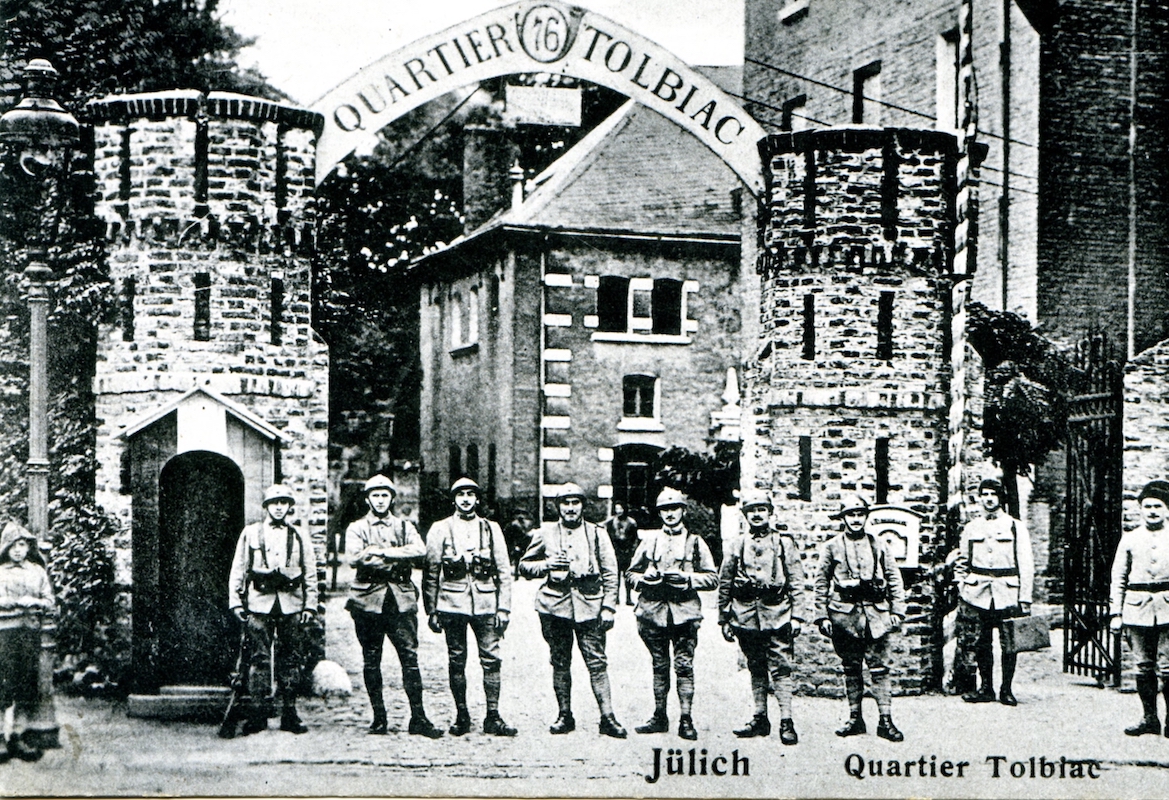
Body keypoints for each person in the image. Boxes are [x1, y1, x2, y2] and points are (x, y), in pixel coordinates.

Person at [519, 483, 627, 738]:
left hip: (590, 605)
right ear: (558, 507)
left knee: (597, 662)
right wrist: (546, 565)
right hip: (555, 607)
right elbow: (524, 566)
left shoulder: (597, 533)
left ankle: (607, 717)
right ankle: (564, 715)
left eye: (575, 502)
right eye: (565, 503)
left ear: (582, 506)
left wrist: (609, 607)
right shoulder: (545, 533)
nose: (570, 508)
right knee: (560, 661)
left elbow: (612, 573)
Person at [344, 474, 442, 738]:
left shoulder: (404, 526)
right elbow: (354, 558)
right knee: (371, 659)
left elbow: (419, 550)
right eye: (375, 495)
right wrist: (394, 555)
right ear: (367, 499)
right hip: (367, 600)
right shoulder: (356, 528)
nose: (380, 500)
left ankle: (418, 718)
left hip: (400, 599)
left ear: (391, 499)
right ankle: (379, 718)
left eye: (384, 495)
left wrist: (382, 553)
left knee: (410, 659)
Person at [423, 477, 516, 737]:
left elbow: (504, 571)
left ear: (477, 499)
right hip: (451, 605)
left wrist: (504, 608)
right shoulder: (440, 529)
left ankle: (493, 716)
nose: (465, 499)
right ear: (453, 499)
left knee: (492, 660)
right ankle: (462, 715)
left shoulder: (491, 528)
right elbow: (430, 573)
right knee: (456, 660)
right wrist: (431, 610)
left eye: (470, 494)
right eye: (460, 494)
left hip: (486, 604)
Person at [626, 487, 718, 741]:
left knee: (684, 666)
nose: (670, 514)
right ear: (659, 513)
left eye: (674, 508)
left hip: (684, 614)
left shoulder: (696, 542)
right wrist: (645, 578)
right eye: (665, 509)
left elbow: (712, 578)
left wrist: (688, 579)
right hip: (653, 613)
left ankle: (686, 718)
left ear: (683, 511)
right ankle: (659, 716)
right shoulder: (649, 541)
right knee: (659, 665)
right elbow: (630, 574)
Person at [228, 483, 318, 735]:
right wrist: (235, 601)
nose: (279, 508)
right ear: (266, 506)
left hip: (291, 604)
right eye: (274, 503)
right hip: (259, 602)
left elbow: (310, 573)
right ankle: (258, 715)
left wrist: (310, 604)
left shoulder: (300, 535)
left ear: (290, 507)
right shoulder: (251, 533)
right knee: (259, 659)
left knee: (290, 659)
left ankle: (290, 713)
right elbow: (240, 568)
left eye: (284, 503)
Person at [814, 494, 906, 742]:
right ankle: (855, 718)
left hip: (876, 615)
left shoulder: (879, 544)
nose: (855, 519)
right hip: (844, 617)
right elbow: (820, 583)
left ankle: (885, 721)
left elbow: (894, 578)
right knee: (851, 667)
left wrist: (897, 611)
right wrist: (822, 616)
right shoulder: (831, 546)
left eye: (860, 514)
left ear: (866, 517)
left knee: (881, 668)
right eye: (850, 515)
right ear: (842, 518)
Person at [718, 489, 806, 744]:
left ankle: (786, 721)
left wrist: (797, 616)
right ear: (745, 515)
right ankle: (760, 717)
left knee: (781, 667)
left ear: (770, 513)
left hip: (777, 613)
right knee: (755, 665)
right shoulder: (737, 543)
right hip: (745, 614)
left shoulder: (783, 543)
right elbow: (725, 581)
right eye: (751, 511)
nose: (757, 515)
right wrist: (724, 618)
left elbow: (796, 581)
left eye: (761, 510)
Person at [953, 478, 1034, 706]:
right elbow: (962, 561)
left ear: (1001, 498)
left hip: (1007, 591)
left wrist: (1025, 597)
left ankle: (1006, 689)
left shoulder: (1015, 526)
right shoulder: (972, 527)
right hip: (978, 593)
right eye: (985, 494)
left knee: (1009, 642)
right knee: (982, 642)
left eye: (993, 494)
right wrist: (962, 585)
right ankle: (986, 688)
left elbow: (1026, 564)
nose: (988, 499)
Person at [1109, 479, 1169, 736]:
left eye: (1158, 506)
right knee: (1143, 666)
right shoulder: (1130, 539)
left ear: (1167, 509)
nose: (1152, 511)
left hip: (1168, 608)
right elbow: (1118, 578)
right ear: (1140, 509)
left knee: (1168, 668)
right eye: (1147, 506)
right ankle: (1149, 719)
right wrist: (1116, 613)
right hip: (1137, 609)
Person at [0, 521, 55, 762]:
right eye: (13, 546)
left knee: (26, 686)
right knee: (3, 686)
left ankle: (18, 737)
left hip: (29, 633)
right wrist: (11, 602)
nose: (18, 550)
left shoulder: (37, 571)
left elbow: (49, 600)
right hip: (5, 633)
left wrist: (34, 602)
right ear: (5, 548)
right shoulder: (0, 572)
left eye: (22, 545)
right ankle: (0, 737)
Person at [605, 502, 639, 606]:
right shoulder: (611, 522)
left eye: (620, 508)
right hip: (616, 552)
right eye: (617, 509)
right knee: (615, 576)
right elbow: (607, 537)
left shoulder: (631, 523)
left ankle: (628, 598)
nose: (618, 511)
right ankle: (616, 598)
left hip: (627, 552)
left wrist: (633, 551)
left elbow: (635, 539)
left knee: (627, 576)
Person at [503, 509, 533, 579]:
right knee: (517, 559)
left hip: (518, 544)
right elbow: (516, 536)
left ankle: (520, 574)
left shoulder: (518, 524)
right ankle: (518, 574)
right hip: (516, 545)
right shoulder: (515, 525)